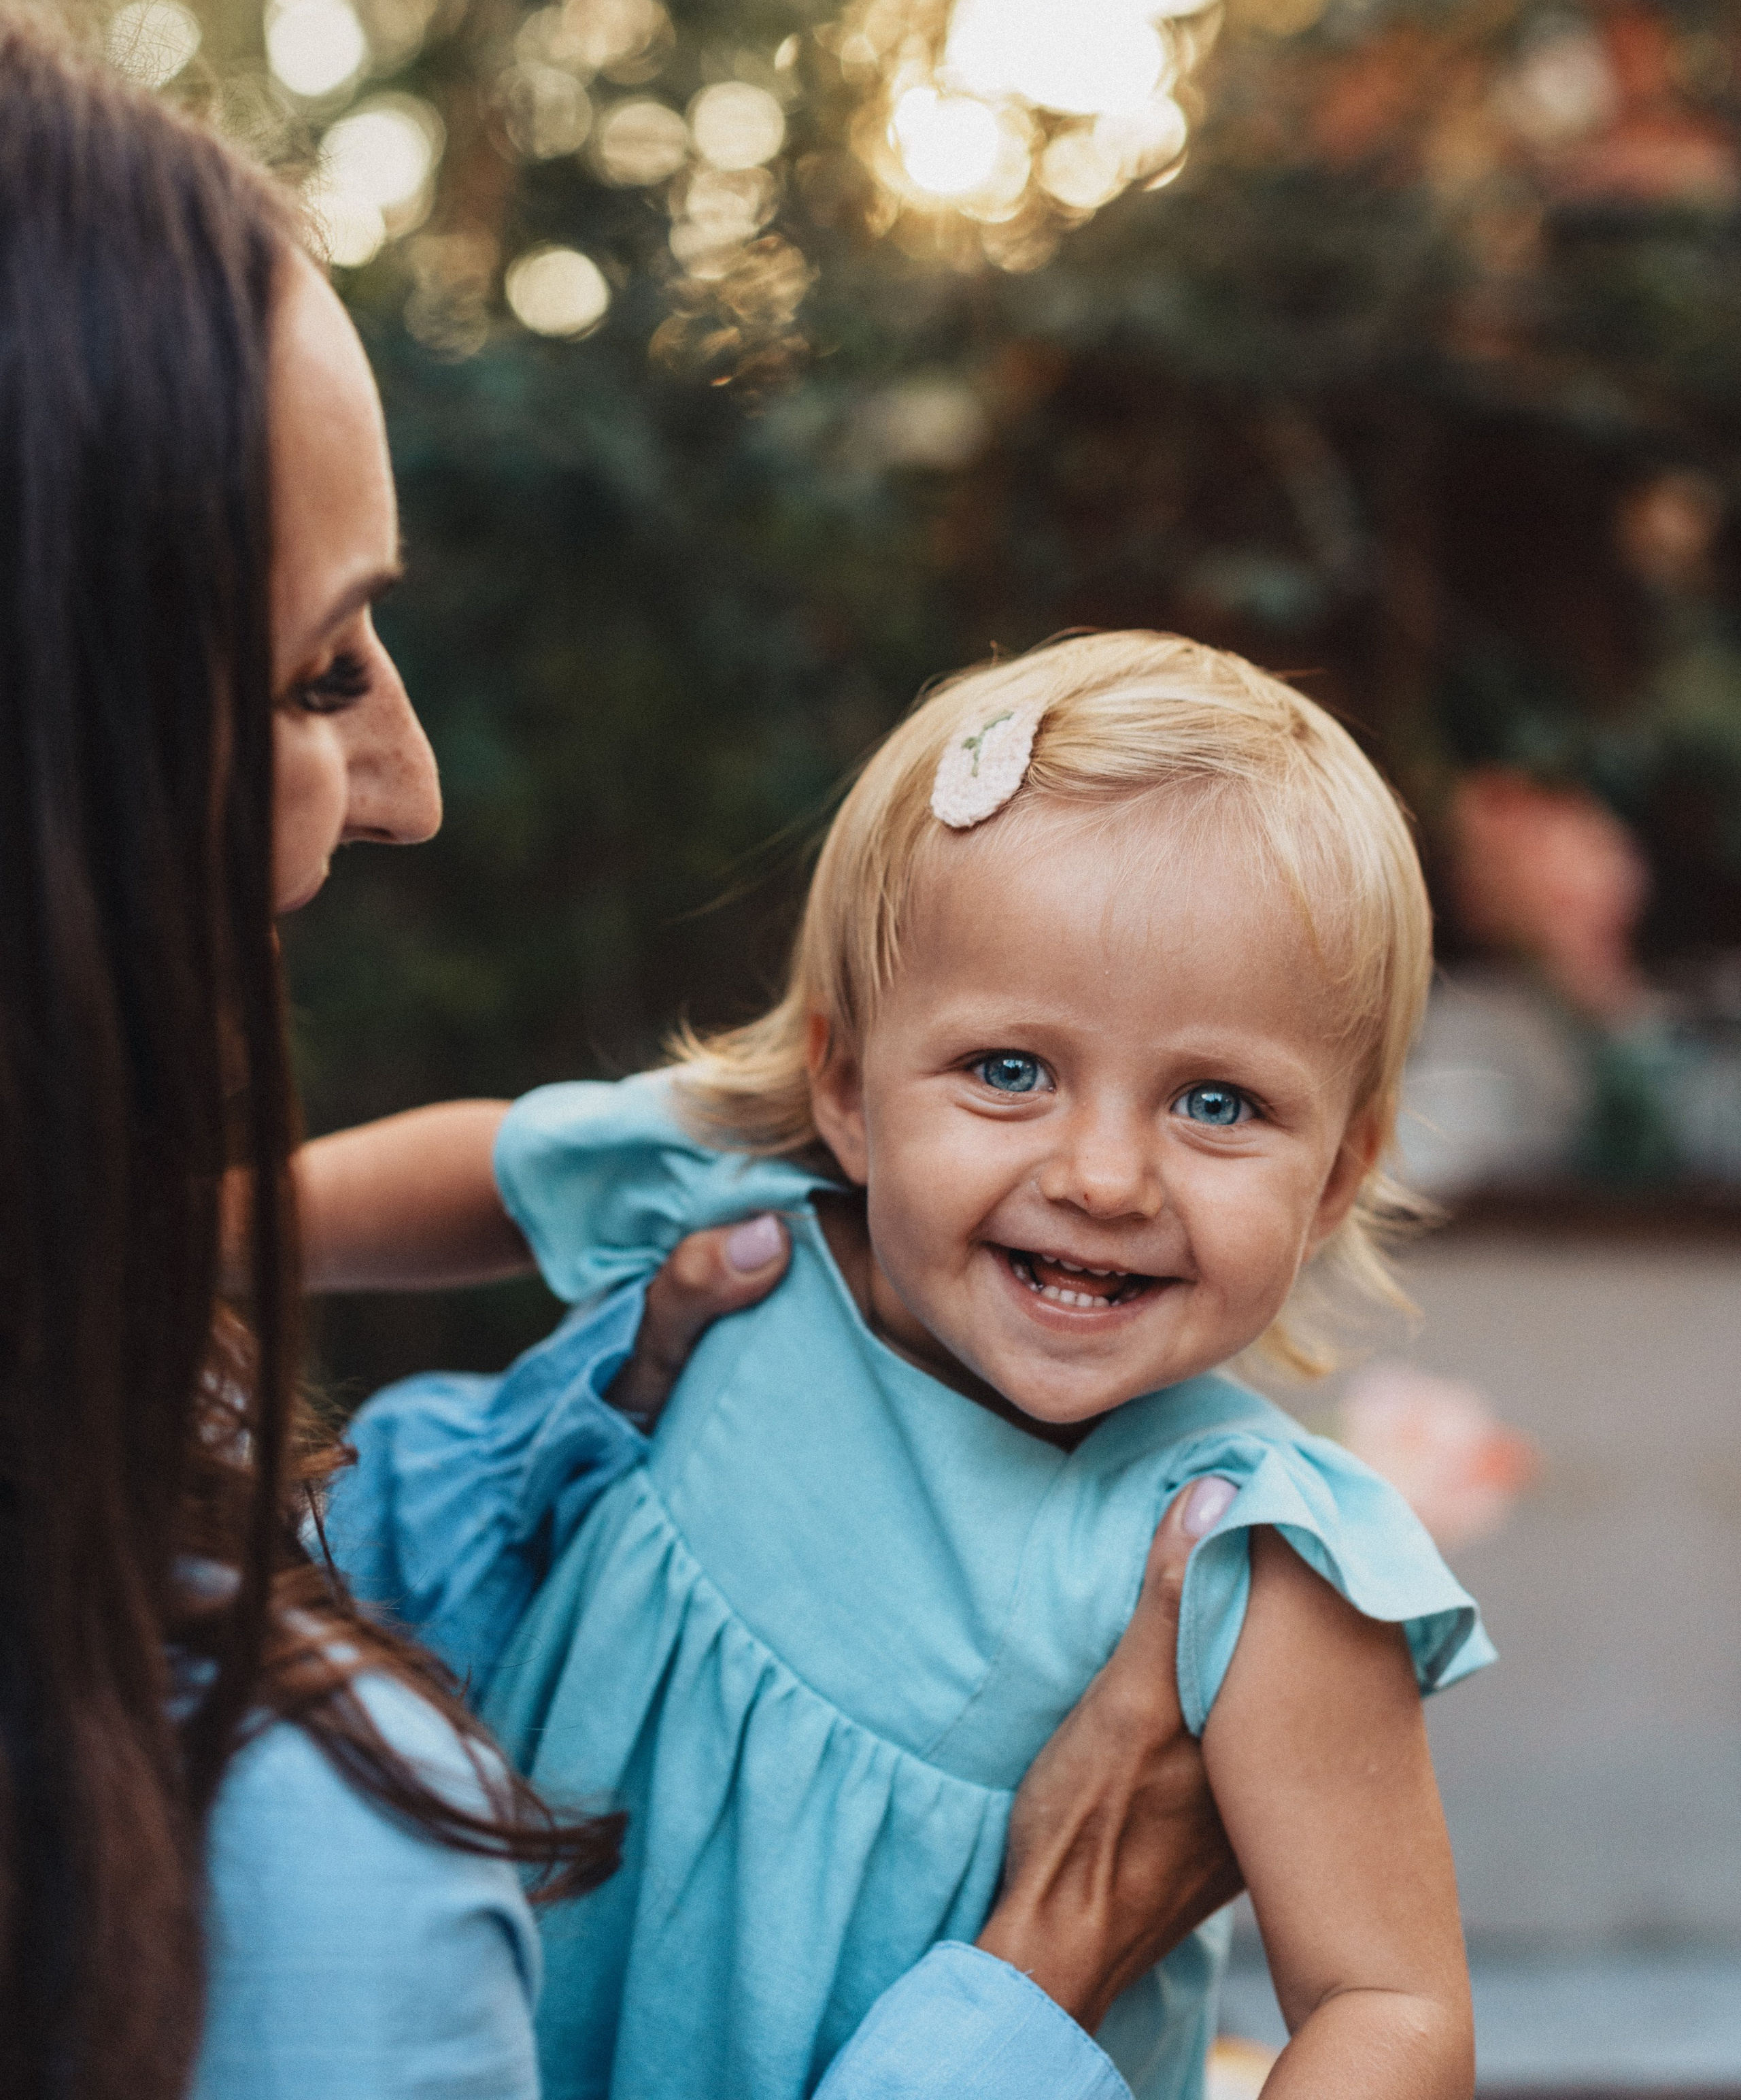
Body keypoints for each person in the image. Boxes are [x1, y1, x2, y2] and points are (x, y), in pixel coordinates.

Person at [0, 5, 1243, 2100]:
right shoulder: (296, 1864)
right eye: (317, 672)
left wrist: (591, 1430)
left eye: (1217, 1100)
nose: (407, 786)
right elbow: (494, 1171)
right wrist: (1044, 1980)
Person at [317, 634, 1495, 2100]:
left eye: (1216, 1101)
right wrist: (178, 1236)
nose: (1106, 1175)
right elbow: (493, 1170)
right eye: (1009, 1070)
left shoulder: (1245, 1563)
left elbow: (1390, 2007)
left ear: (1332, 1179)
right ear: (844, 1087)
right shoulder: (754, 1206)